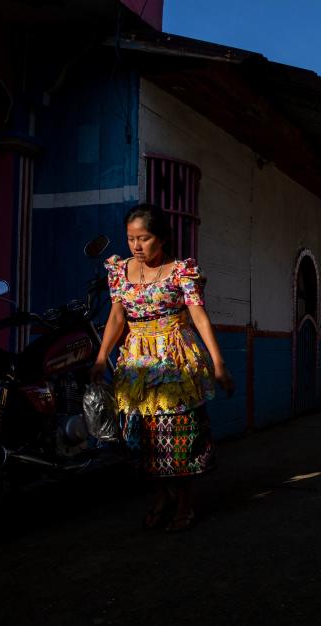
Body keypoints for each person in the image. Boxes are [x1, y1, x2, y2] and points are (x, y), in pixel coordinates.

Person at [90, 203, 234, 532]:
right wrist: (101, 358)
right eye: (131, 239)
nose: (137, 246)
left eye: (144, 238)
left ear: (162, 238)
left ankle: (184, 503)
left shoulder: (181, 271)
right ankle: (161, 497)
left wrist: (218, 362)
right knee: (144, 438)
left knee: (178, 436)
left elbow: (198, 315)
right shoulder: (118, 270)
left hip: (176, 362)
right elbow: (116, 317)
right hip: (136, 365)